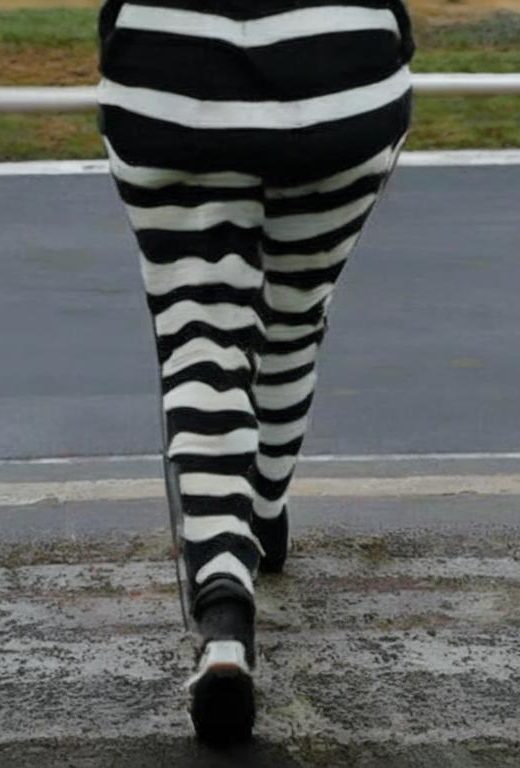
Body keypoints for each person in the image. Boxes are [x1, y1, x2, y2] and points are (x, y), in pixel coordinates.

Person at [96, 0, 415, 745]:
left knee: (201, 335)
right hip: (340, 70)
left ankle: (224, 618)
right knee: (296, 312)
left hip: (170, 73)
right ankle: (265, 509)